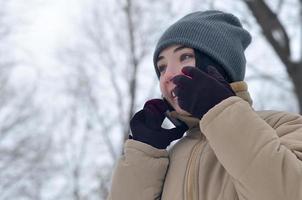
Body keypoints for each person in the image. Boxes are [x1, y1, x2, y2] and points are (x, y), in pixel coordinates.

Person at [107, 10, 302, 200]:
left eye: (184, 57)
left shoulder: (284, 126)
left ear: (219, 65)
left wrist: (222, 111)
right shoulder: (170, 158)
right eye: (162, 67)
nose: (167, 75)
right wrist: (143, 157)